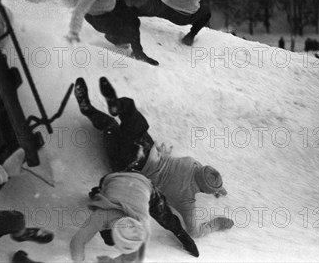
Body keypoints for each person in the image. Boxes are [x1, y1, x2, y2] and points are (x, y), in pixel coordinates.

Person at [74, 77, 234, 239]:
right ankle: (91, 110)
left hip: (145, 147)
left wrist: (218, 187)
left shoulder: (192, 164)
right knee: (111, 128)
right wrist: (218, 223)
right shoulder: (186, 202)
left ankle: (119, 107)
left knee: (131, 119)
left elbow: (204, 174)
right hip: (131, 168)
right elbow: (194, 232)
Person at [70, 170, 199, 263]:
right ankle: (99, 193)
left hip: (130, 181)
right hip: (119, 179)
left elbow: (136, 258)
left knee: (166, 219)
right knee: (109, 241)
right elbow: (77, 242)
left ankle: (182, 235)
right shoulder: (100, 217)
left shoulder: (142, 230)